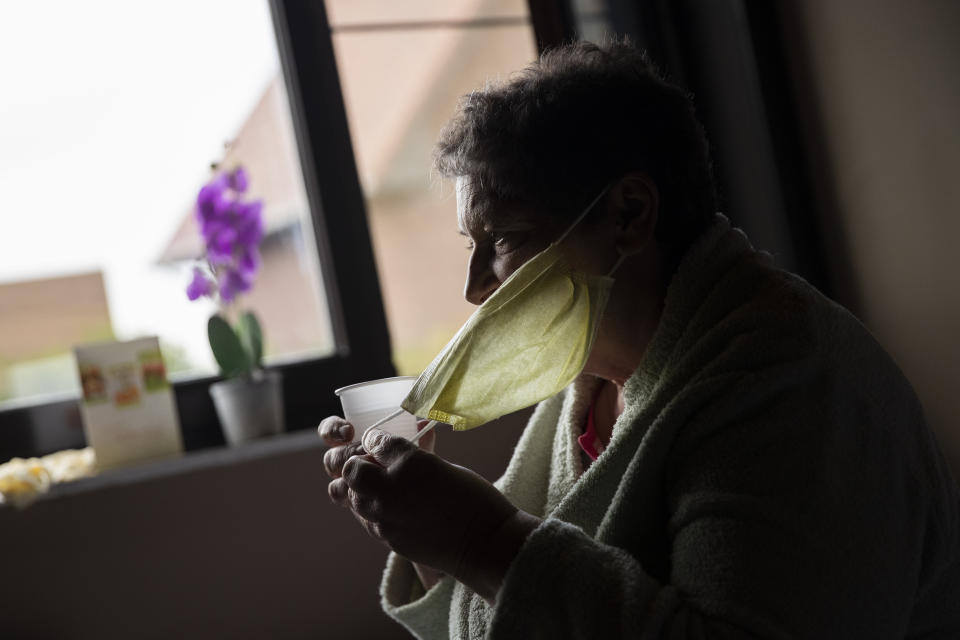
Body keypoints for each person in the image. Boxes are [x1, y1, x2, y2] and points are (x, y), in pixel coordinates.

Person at [319, 40, 960, 639]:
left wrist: (480, 541)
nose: (474, 287)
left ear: (628, 214)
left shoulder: (791, 384)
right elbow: (505, 606)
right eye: (471, 245)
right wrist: (422, 528)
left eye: (505, 239)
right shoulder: (590, 378)